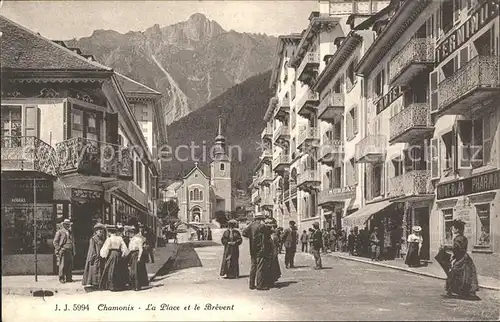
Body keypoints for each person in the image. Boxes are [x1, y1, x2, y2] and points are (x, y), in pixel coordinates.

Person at [442, 220, 479, 299]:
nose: (453, 230)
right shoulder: (464, 238)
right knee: (466, 275)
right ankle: (464, 291)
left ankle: (451, 291)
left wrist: (446, 247)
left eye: (453, 228)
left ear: (457, 229)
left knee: (453, 274)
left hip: (460, 258)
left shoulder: (457, 239)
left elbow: (457, 249)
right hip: (465, 257)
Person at [242, 212, 270, 291]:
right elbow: (267, 236)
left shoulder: (251, 225)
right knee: (260, 267)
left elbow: (244, 233)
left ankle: (251, 284)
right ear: (261, 219)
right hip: (261, 249)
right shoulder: (262, 226)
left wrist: (250, 237)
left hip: (252, 249)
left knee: (253, 267)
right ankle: (260, 285)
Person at [99, 224, 129, 291]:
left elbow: (105, 248)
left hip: (112, 254)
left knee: (111, 270)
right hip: (118, 254)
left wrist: (103, 255)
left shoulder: (109, 239)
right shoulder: (120, 238)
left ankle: (112, 286)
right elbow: (124, 248)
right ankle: (120, 285)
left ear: (109, 232)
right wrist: (123, 255)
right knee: (119, 269)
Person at [82, 223, 106, 289]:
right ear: (96, 232)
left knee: (100, 269)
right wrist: (93, 256)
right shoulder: (93, 239)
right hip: (95, 256)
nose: (101, 232)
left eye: (102, 231)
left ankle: (100, 282)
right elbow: (92, 249)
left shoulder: (103, 239)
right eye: (99, 231)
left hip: (101, 256)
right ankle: (95, 282)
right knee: (95, 269)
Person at [53, 219, 75, 283]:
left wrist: (73, 250)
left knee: (69, 265)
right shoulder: (59, 232)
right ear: (64, 225)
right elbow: (55, 242)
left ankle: (69, 278)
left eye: (69, 225)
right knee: (62, 265)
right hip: (63, 250)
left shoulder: (70, 232)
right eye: (67, 224)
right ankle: (61, 278)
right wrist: (59, 249)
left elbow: (72, 242)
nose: (68, 226)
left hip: (70, 250)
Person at [128, 225, 149, 291]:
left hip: (136, 254)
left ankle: (137, 286)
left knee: (136, 271)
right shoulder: (132, 239)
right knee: (132, 271)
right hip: (132, 255)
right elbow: (130, 249)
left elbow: (141, 249)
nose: (129, 234)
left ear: (133, 233)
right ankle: (133, 286)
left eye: (130, 233)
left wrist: (139, 257)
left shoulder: (138, 239)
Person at [266, 219, 281, 287]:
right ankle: (270, 280)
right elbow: (277, 243)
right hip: (271, 253)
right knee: (272, 266)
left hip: (272, 253)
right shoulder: (273, 236)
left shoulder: (273, 236)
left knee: (271, 266)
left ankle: (270, 280)